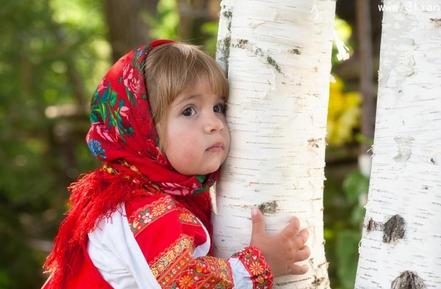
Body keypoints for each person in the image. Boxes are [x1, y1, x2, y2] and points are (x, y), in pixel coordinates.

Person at [42, 39, 310, 289]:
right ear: (144, 131)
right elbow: (182, 281)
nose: (214, 123)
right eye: (189, 111)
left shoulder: (172, 196)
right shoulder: (137, 208)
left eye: (218, 107)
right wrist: (260, 264)